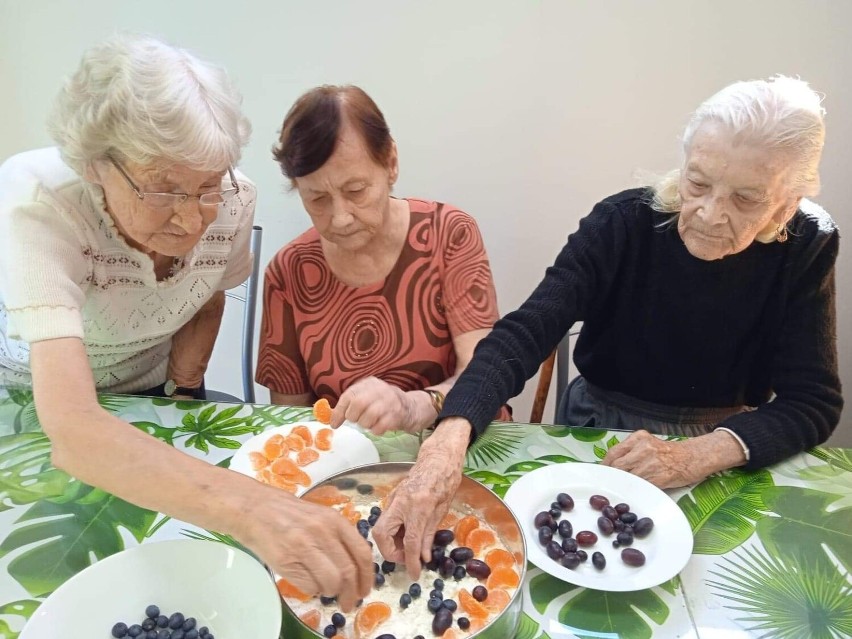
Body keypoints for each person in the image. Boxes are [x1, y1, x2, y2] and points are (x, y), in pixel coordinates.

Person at [373, 75, 843, 577]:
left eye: (746, 199)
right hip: (598, 422)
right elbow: (526, 330)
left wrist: (694, 456)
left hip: (722, 440)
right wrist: (447, 441)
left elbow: (812, 401)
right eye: (698, 183)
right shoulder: (622, 222)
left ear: (788, 202)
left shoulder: (806, 243)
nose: (708, 213)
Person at [0, 35, 371, 608]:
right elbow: (72, 429)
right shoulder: (38, 200)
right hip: (31, 400)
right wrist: (253, 509)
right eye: (163, 188)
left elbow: (204, 296)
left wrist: (188, 389)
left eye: (204, 188)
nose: (192, 218)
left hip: (149, 388)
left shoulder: (231, 199)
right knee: (57, 581)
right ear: (98, 164)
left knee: (177, 567)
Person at [257, 85, 509, 434]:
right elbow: (292, 421)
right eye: (316, 198)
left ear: (390, 163)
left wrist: (415, 405)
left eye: (355, 191)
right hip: (349, 463)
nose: (340, 217)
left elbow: (484, 374)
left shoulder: (448, 235)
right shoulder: (289, 272)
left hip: (454, 440)